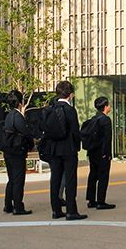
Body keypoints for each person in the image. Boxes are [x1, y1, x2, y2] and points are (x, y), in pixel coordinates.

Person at [46, 80, 87, 221]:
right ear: (70, 94)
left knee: (55, 179)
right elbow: (75, 132)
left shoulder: (50, 108)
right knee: (70, 180)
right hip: (68, 148)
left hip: (53, 149)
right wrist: (77, 146)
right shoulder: (70, 110)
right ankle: (71, 210)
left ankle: (56, 210)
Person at [2, 90, 34, 215]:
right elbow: (26, 133)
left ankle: (8, 205)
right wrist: (31, 145)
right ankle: (18, 206)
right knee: (19, 179)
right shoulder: (18, 116)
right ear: (21, 103)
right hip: (17, 151)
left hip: (8, 150)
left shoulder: (9, 116)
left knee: (11, 179)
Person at [85, 96, 115, 210]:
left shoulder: (94, 118)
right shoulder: (106, 120)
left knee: (93, 175)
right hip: (102, 152)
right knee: (103, 176)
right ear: (105, 107)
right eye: (109, 105)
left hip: (92, 151)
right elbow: (107, 139)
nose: (110, 106)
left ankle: (91, 200)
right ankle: (101, 201)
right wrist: (107, 154)